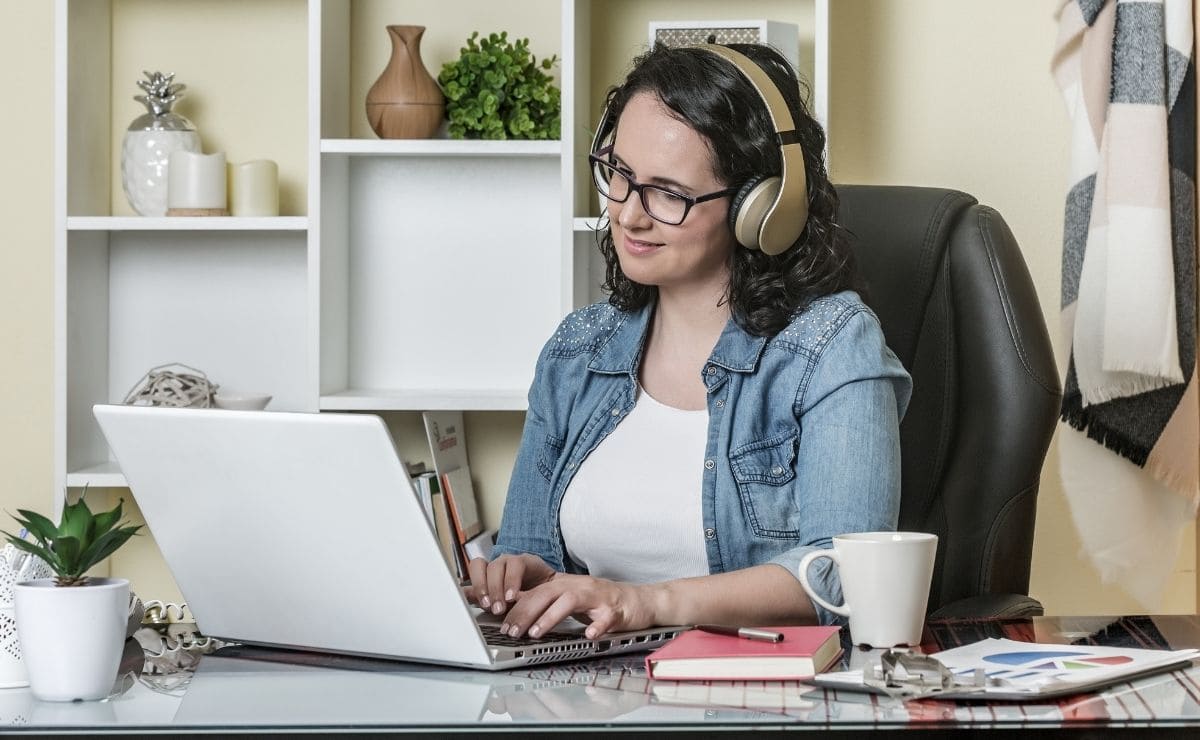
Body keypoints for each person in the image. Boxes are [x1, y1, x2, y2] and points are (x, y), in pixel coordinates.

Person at [468, 42, 911, 641]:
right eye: (618, 175)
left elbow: (842, 575)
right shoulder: (576, 351)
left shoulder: (831, 346)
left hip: (759, 702)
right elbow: (530, 548)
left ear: (762, 206)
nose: (628, 215)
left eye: (667, 193)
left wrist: (643, 602)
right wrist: (525, 577)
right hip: (583, 697)